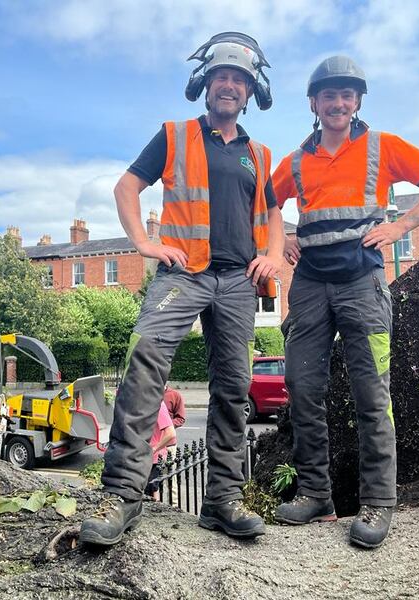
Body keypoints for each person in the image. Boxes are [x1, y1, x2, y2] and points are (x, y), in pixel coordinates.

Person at [80, 31, 284, 546]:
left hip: (238, 281)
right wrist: (145, 243)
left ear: (249, 90)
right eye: (222, 77)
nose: (229, 86)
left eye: (238, 79)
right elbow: (127, 186)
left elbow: (276, 212)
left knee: (234, 385)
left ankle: (221, 500)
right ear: (206, 83)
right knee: (146, 358)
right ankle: (123, 493)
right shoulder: (173, 134)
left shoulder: (258, 153)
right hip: (182, 274)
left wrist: (274, 256)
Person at [271, 55, 419, 549]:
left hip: (363, 282)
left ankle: (378, 502)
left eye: (346, 95)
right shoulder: (294, 161)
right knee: (302, 387)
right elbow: (262, 203)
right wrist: (277, 241)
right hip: (309, 284)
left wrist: (401, 226)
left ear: (357, 102)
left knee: (372, 393)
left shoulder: (384, 146)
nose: (338, 103)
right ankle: (315, 494)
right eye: (328, 95)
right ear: (314, 103)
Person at [144, 401, 177, 499]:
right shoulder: (140, 402)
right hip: (142, 456)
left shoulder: (158, 404)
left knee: (150, 490)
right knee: (151, 489)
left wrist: (154, 449)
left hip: (153, 458)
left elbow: (171, 433)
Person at [163, 385, 186, 504]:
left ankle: (174, 506)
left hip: (168, 444)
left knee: (171, 479)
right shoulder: (149, 393)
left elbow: (180, 418)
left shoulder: (174, 395)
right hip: (152, 444)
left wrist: (166, 425)